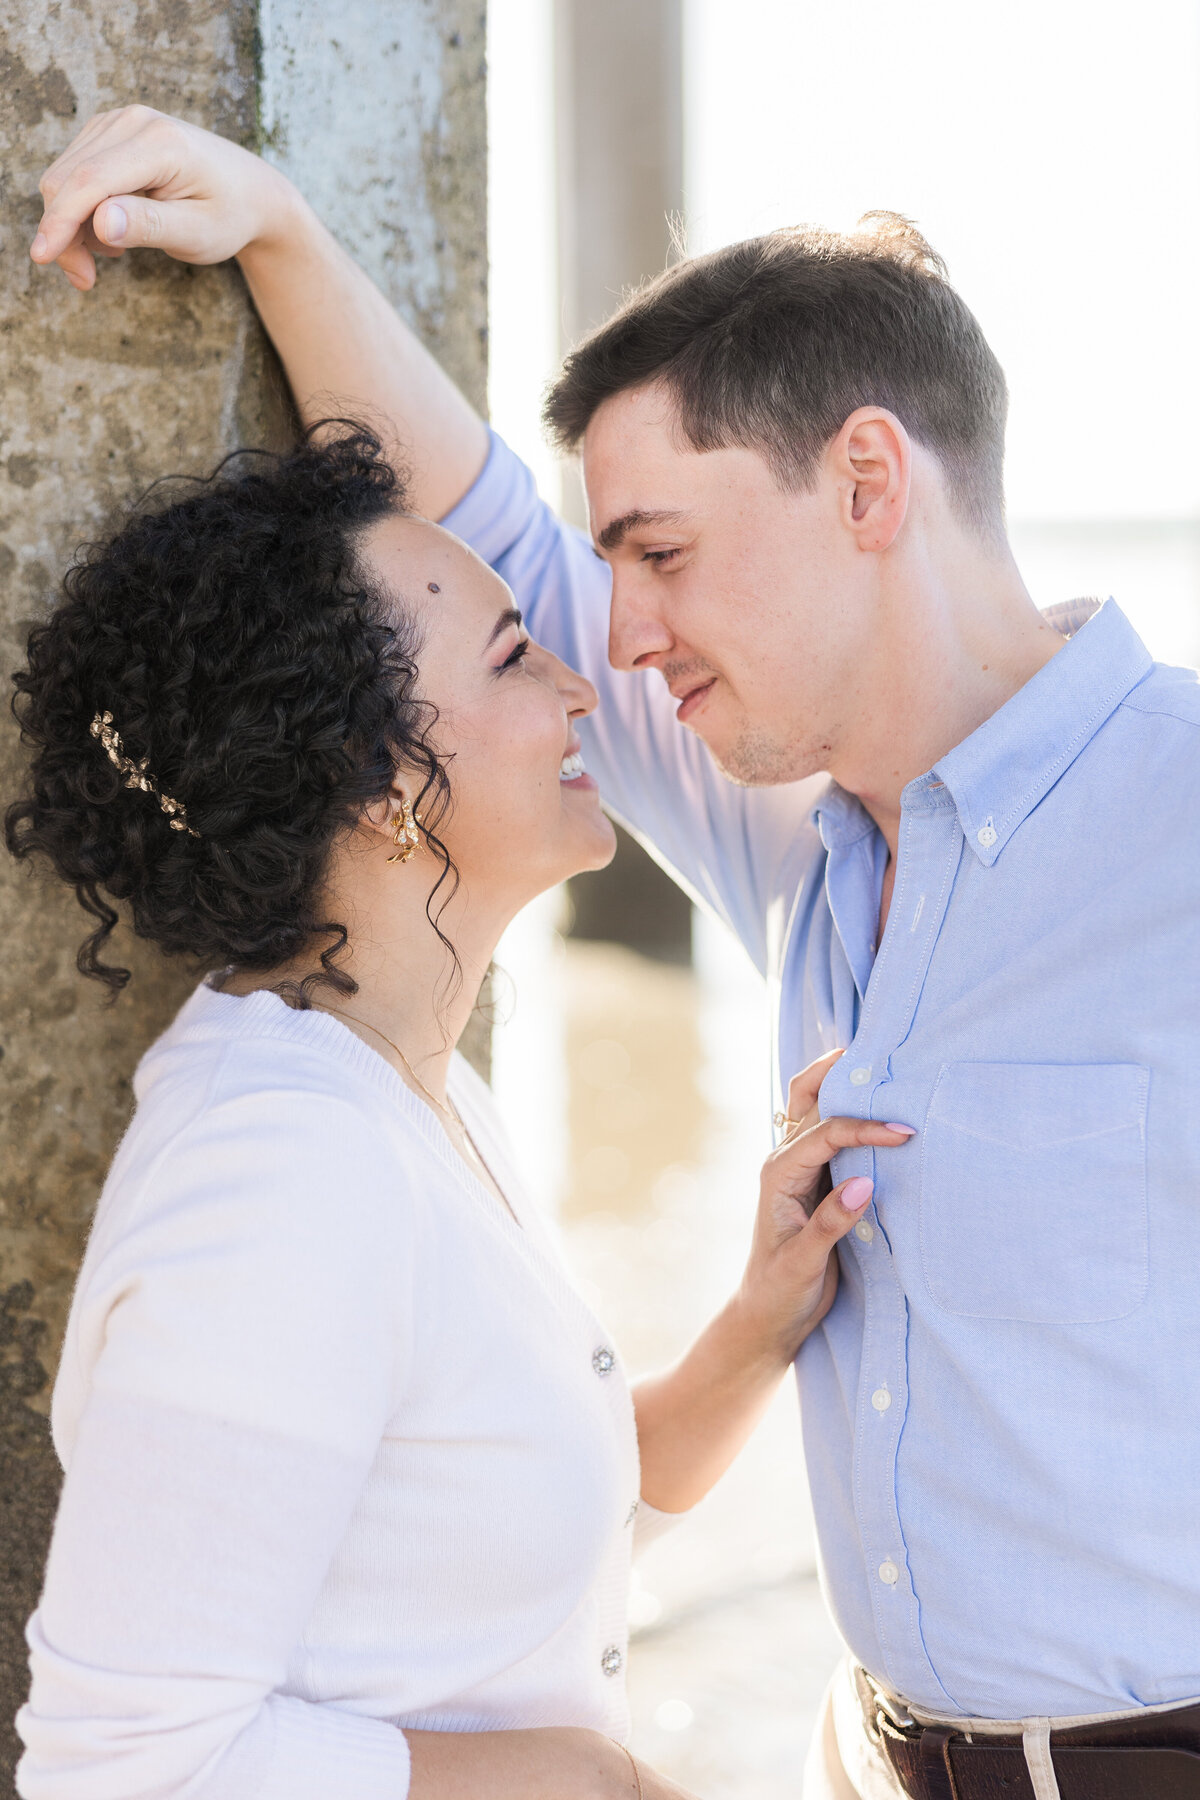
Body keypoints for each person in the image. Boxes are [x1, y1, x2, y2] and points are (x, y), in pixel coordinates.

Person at [28, 106, 1200, 1800]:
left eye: (658, 554)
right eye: (593, 589)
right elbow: (461, 547)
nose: (618, 646)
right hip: (874, 1762)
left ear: (867, 483)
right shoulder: (798, 832)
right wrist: (278, 231)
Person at [7, 418, 910, 1800]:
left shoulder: (401, 1088)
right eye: (510, 653)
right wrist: (593, 1783)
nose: (583, 684)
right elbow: (124, 1766)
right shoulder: (279, 1180)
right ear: (375, 787)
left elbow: (489, 1537)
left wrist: (756, 1323)